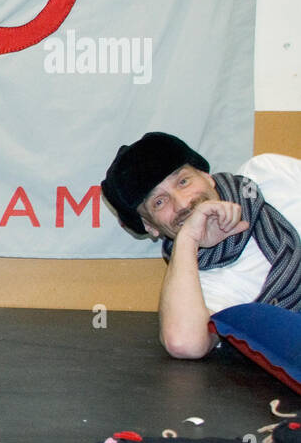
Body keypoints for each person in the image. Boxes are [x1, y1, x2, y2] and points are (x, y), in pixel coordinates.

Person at [101, 131, 301, 359]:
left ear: (207, 176)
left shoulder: (267, 173)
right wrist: (188, 240)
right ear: (151, 227)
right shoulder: (200, 286)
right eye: (159, 202)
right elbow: (183, 343)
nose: (184, 203)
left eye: (184, 181)